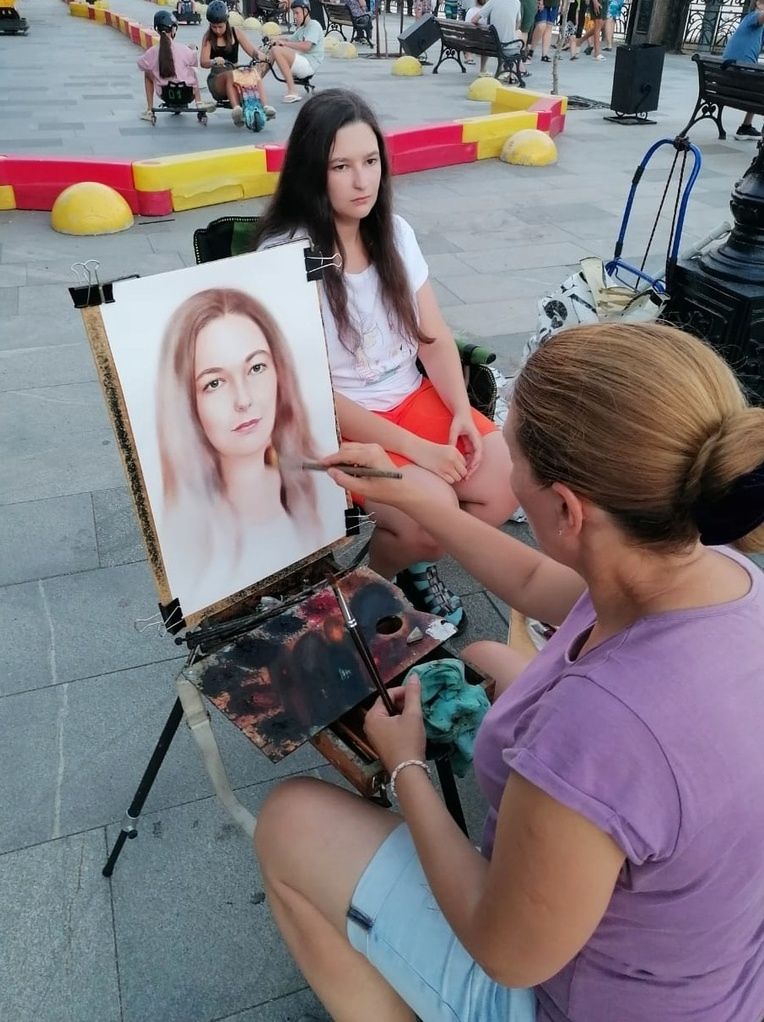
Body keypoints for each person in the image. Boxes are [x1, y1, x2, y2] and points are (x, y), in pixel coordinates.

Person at [254, 321, 764, 1022]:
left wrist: (407, 769)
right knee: (490, 657)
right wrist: (415, 495)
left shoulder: (600, 727)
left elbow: (506, 953)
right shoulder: (720, 571)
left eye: (512, 458)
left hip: (584, 1000)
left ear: (566, 509)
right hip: (709, 966)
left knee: (289, 821)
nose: (504, 475)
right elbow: (533, 579)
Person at [255, 90, 517, 630]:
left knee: (502, 484)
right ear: (311, 171)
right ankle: (370, 587)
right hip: (340, 424)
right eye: (341, 166)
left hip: (413, 396)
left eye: (371, 161)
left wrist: (461, 412)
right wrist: (418, 450)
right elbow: (309, 392)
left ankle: (416, 564)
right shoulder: (284, 257)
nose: (362, 181)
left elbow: (432, 338)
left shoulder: (395, 233)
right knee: (428, 518)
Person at [155, 287, 341, 614]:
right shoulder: (202, 566)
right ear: (186, 404)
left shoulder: (316, 503)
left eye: (256, 368)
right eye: (214, 383)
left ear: (280, 372)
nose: (244, 399)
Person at [199, 0, 275, 124]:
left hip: (234, 75)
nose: (217, 30)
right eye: (214, 27)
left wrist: (259, 55)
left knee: (253, 72)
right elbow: (203, 62)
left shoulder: (236, 33)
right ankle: (236, 110)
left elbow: (252, 51)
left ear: (226, 21)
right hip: (217, 79)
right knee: (231, 74)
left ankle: (265, 106)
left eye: (220, 26)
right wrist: (214, 61)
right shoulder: (208, 38)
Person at [136, 10, 214, 122]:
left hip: (165, 93)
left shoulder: (152, 52)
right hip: (187, 93)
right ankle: (199, 102)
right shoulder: (184, 49)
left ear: (157, 30)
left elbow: (140, 64)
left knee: (147, 73)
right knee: (192, 70)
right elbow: (194, 62)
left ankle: (149, 110)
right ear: (173, 30)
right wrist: (192, 49)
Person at [256, 0, 324, 104]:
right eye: (293, 13)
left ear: (305, 12)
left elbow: (306, 46)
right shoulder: (302, 28)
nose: (295, 17)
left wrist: (284, 44)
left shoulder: (313, 25)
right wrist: (274, 39)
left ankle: (293, 91)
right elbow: (289, 39)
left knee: (276, 50)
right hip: (303, 61)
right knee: (273, 49)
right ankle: (255, 81)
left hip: (310, 64)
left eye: (297, 13)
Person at [722, 0, 764, 140]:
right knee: (760, 86)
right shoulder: (753, 17)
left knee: (758, 83)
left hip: (725, 83)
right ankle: (746, 127)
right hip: (742, 81)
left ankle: (746, 126)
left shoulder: (748, 23)